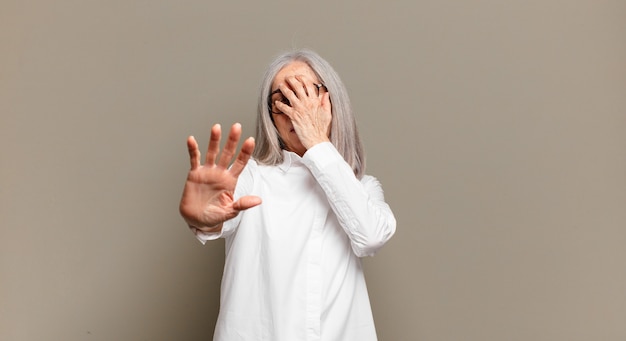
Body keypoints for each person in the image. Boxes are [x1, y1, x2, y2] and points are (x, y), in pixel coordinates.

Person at [179, 49, 396, 341]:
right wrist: (204, 218)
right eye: (282, 98)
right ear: (270, 114)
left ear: (330, 102)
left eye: (305, 92)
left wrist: (317, 143)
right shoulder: (249, 177)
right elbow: (219, 214)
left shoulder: (363, 187)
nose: (295, 108)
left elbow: (370, 236)